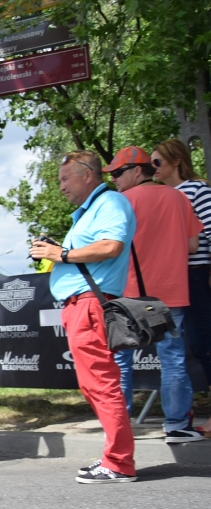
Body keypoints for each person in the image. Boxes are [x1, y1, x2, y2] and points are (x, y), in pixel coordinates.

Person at [30, 151, 137, 484]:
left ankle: (119, 462)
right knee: (94, 384)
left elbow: (111, 247)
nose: (61, 186)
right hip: (82, 304)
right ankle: (114, 457)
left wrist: (60, 253)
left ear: (87, 175)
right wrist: (60, 252)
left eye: (65, 179)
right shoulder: (94, 209)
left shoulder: (110, 203)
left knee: (101, 384)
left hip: (90, 303)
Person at [103, 146, 203, 443]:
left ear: (137, 170)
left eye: (119, 173)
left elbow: (107, 248)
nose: (115, 180)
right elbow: (193, 246)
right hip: (170, 292)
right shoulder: (178, 197)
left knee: (121, 361)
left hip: (127, 293)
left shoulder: (119, 202)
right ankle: (175, 426)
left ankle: (119, 428)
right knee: (172, 359)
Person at [152, 138, 211, 433]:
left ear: (176, 161)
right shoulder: (162, 194)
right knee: (183, 347)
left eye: (158, 162)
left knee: (204, 342)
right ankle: (183, 416)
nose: (154, 168)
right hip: (174, 275)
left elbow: (209, 231)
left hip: (197, 271)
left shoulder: (197, 189)